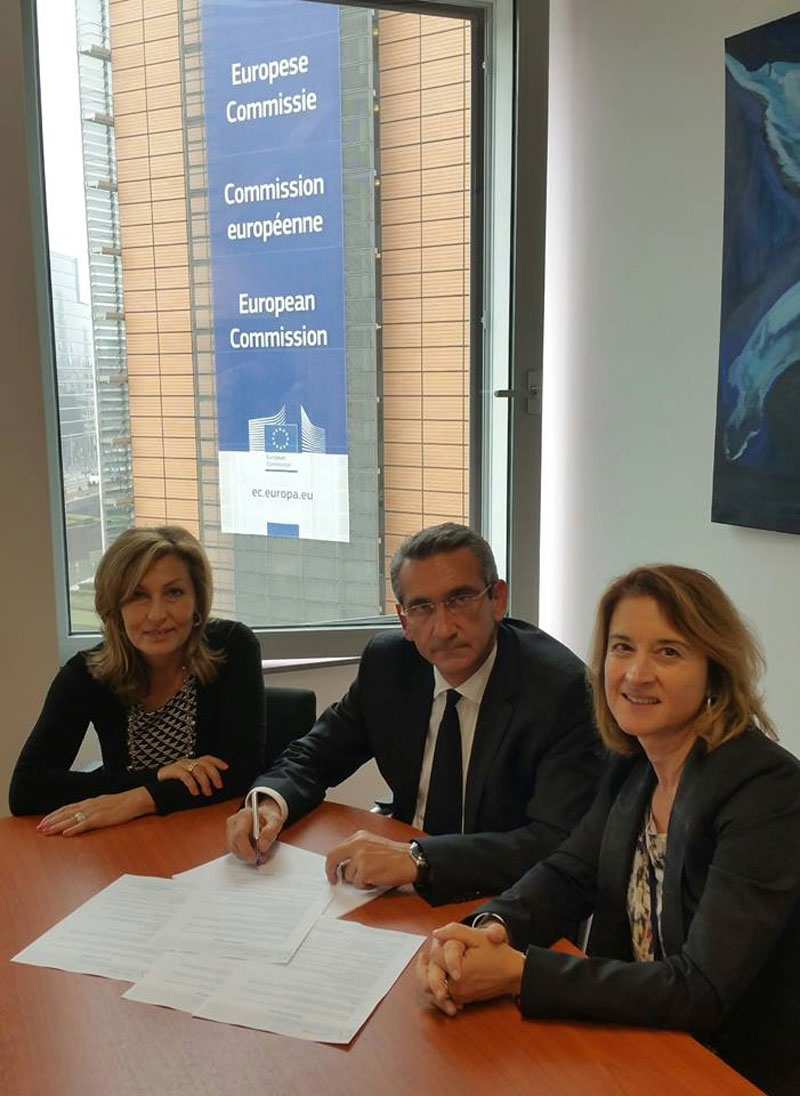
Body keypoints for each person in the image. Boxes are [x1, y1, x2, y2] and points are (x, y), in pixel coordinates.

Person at [417, 564, 800, 1096]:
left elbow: (701, 988)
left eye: (668, 652)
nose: (636, 674)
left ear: (714, 669)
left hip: (733, 1070)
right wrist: (489, 929)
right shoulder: (635, 762)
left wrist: (521, 973)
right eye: (622, 648)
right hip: (641, 1044)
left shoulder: (767, 790)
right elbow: (568, 872)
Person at [226, 523, 600, 906]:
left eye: (460, 599)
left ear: (498, 599)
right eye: (422, 608)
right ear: (404, 621)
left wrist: (420, 859)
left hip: (505, 899)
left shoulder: (561, 691)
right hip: (399, 888)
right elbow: (316, 754)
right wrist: (270, 802)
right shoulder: (389, 665)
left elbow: (555, 840)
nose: (444, 628)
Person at [9, 525, 266, 834]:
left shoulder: (232, 647)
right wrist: (154, 778)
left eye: (174, 592)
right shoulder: (86, 673)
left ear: (197, 600)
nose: (156, 614)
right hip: (128, 839)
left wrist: (138, 799)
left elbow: (241, 771)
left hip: (212, 832)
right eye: (137, 596)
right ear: (115, 607)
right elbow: (27, 790)